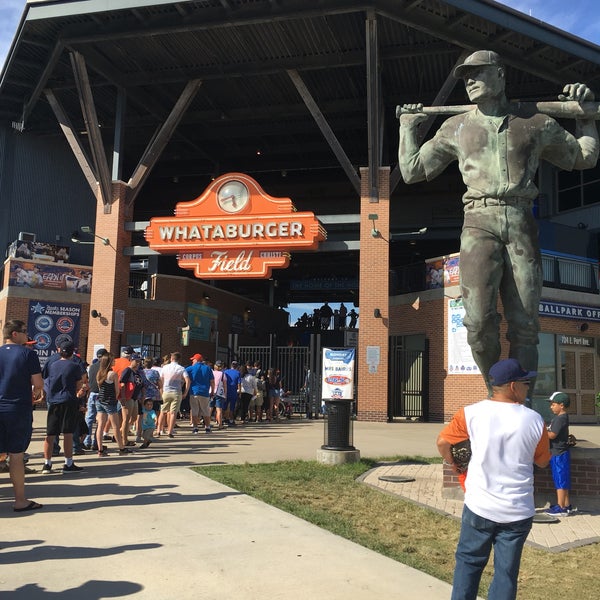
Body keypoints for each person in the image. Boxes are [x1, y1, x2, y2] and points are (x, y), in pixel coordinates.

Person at [398, 50, 599, 390]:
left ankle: (519, 401)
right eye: (465, 77)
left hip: (521, 220)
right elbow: (412, 170)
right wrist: (407, 129)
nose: (470, 81)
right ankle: (497, 393)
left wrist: (586, 117)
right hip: (478, 219)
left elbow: (584, 157)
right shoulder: (455, 126)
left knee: (525, 325)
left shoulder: (535, 122)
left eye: (478, 73)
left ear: (501, 75)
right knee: (477, 323)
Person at [436, 358, 551, 600]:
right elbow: (542, 461)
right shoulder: (534, 420)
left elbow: (443, 442)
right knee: (506, 574)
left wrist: (456, 466)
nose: (528, 387)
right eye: (525, 382)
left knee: (468, 563)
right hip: (518, 511)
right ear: (512, 386)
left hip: (480, 505)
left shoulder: (469, 414)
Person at [0, 319, 44, 511]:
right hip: (17, 409)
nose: (27, 336)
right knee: (16, 455)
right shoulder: (28, 354)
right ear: (15, 334)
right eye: (25, 332)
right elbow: (38, 384)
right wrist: (37, 393)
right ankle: (19, 500)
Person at [41, 340, 85, 474]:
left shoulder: (52, 365)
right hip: (68, 400)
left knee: (50, 433)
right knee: (68, 433)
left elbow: (46, 379)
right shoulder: (74, 366)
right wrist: (80, 392)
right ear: (73, 352)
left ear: (59, 350)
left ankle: (47, 464)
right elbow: (78, 385)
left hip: (53, 400)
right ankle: (68, 463)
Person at [545, 391, 575, 516]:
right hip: (561, 452)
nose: (551, 407)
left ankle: (561, 507)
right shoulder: (563, 417)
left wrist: (542, 433)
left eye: (553, 404)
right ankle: (567, 505)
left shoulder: (559, 419)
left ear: (561, 405)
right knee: (563, 480)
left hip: (558, 453)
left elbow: (552, 435)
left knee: (560, 481)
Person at [94, 353, 130, 456]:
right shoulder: (113, 374)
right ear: (109, 362)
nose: (115, 361)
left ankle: (100, 450)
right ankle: (121, 448)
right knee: (115, 426)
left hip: (100, 400)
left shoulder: (99, 373)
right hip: (110, 401)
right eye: (113, 360)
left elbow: (100, 388)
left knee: (100, 425)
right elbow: (117, 390)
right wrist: (116, 397)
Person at [157, 352, 190, 438]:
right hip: (176, 392)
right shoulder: (181, 368)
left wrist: (161, 390)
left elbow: (160, 379)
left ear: (171, 358)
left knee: (163, 412)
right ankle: (170, 431)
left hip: (166, 391)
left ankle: (159, 430)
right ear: (179, 359)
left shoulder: (165, 367)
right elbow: (187, 380)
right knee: (173, 413)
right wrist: (185, 392)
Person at [83, 347, 108, 450]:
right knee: (101, 420)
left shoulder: (91, 367)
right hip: (101, 394)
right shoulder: (105, 368)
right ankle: (96, 442)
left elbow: (88, 380)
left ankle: (86, 440)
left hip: (92, 393)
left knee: (89, 418)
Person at [186, 353, 215, 434]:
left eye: (193, 360)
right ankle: (208, 427)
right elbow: (212, 381)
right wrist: (212, 391)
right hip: (205, 392)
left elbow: (183, 374)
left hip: (193, 392)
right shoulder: (208, 368)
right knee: (206, 410)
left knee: (195, 410)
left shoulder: (191, 368)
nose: (192, 361)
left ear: (196, 360)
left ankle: (195, 428)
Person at [223, 360, 241, 426]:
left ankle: (224, 418)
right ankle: (231, 420)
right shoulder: (238, 373)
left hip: (226, 390)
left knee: (224, 406)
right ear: (237, 366)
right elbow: (239, 383)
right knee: (232, 407)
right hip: (233, 391)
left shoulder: (226, 372)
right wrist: (240, 392)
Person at [212, 360, 227, 429]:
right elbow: (225, 385)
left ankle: (207, 424)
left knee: (210, 408)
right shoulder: (222, 374)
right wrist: (225, 394)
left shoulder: (211, 373)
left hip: (211, 392)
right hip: (219, 393)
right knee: (219, 409)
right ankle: (220, 424)